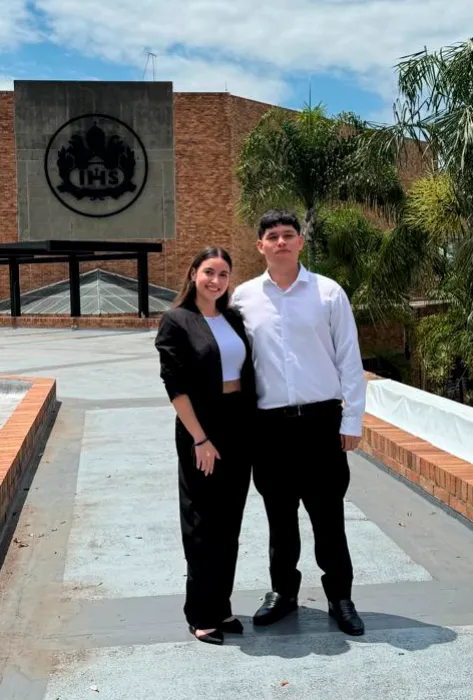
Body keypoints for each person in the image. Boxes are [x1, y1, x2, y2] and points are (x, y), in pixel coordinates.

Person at [231, 209, 366, 636]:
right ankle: (283, 593)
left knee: (328, 516)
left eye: (289, 235)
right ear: (261, 246)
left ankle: (340, 597)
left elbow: (349, 359)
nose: (281, 242)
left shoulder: (328, 294)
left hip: (321, 423)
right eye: (273, 236)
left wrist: (353, 420)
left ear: (300, 242)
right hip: (268, 428)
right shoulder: (243, 299)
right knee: (279, 517)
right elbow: (233, 363)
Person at [154, 247, 257, 646]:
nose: (216, 280)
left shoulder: (232, 318)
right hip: (202, 429)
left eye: (224, 274)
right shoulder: (177, 321)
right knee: (202, 522)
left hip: (239, 425)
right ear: (194, 273)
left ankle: (221, 606)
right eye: (209, 272)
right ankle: (200, 613)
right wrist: (200, 437)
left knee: (230, 520)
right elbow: (174, 386)